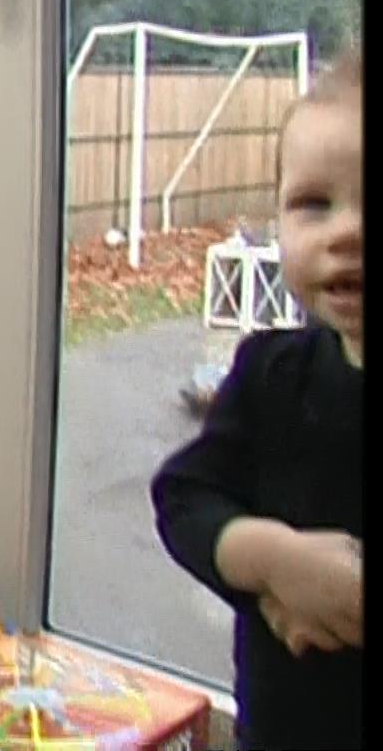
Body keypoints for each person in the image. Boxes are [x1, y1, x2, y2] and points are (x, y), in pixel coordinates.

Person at [151, 48, 363, 749]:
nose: (346, 232)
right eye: (313, 204)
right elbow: (184, 497)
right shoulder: (270, 371)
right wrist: (275, 562)